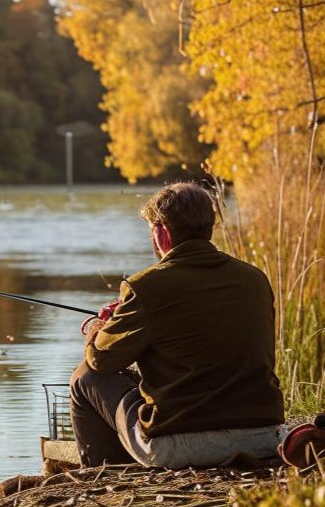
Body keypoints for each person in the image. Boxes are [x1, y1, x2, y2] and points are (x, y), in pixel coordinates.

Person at [69, 181, 285, 469]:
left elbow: (101, 360)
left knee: (85, 378)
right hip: (262, 438)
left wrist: (100, 327)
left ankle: (107, 474)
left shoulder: (144, 286)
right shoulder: (254, 278)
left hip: (180, 448)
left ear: (161, 233)